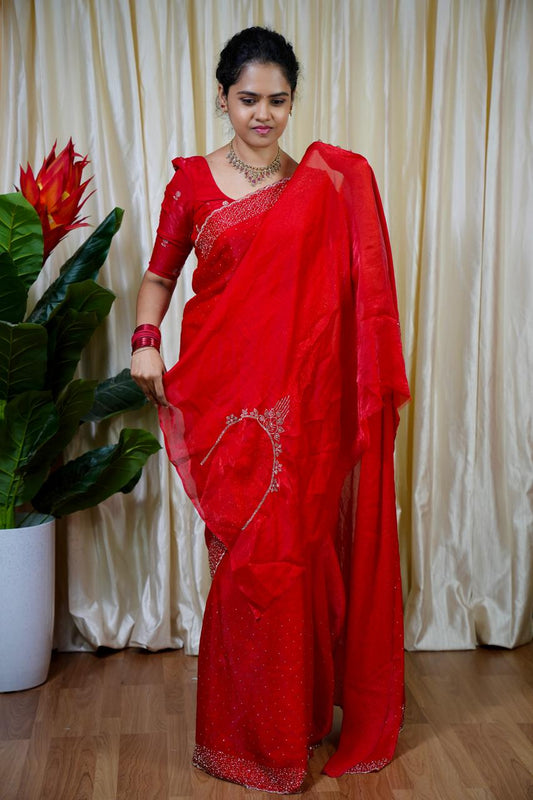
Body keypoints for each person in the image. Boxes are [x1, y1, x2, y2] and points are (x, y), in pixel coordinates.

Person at [131, 26, 410, 794]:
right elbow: (159, 278)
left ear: (292, 102)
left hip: (301, 407)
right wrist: (146, 340)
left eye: (277, 100)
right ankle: (241, 737)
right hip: (224, 404)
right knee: (243, 566)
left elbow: (349, 297)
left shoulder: (323, 186)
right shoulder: (191, 184)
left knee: (292, 565)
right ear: (222, 97)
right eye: (248, 99)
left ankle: (292, 726)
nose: (263, 114)